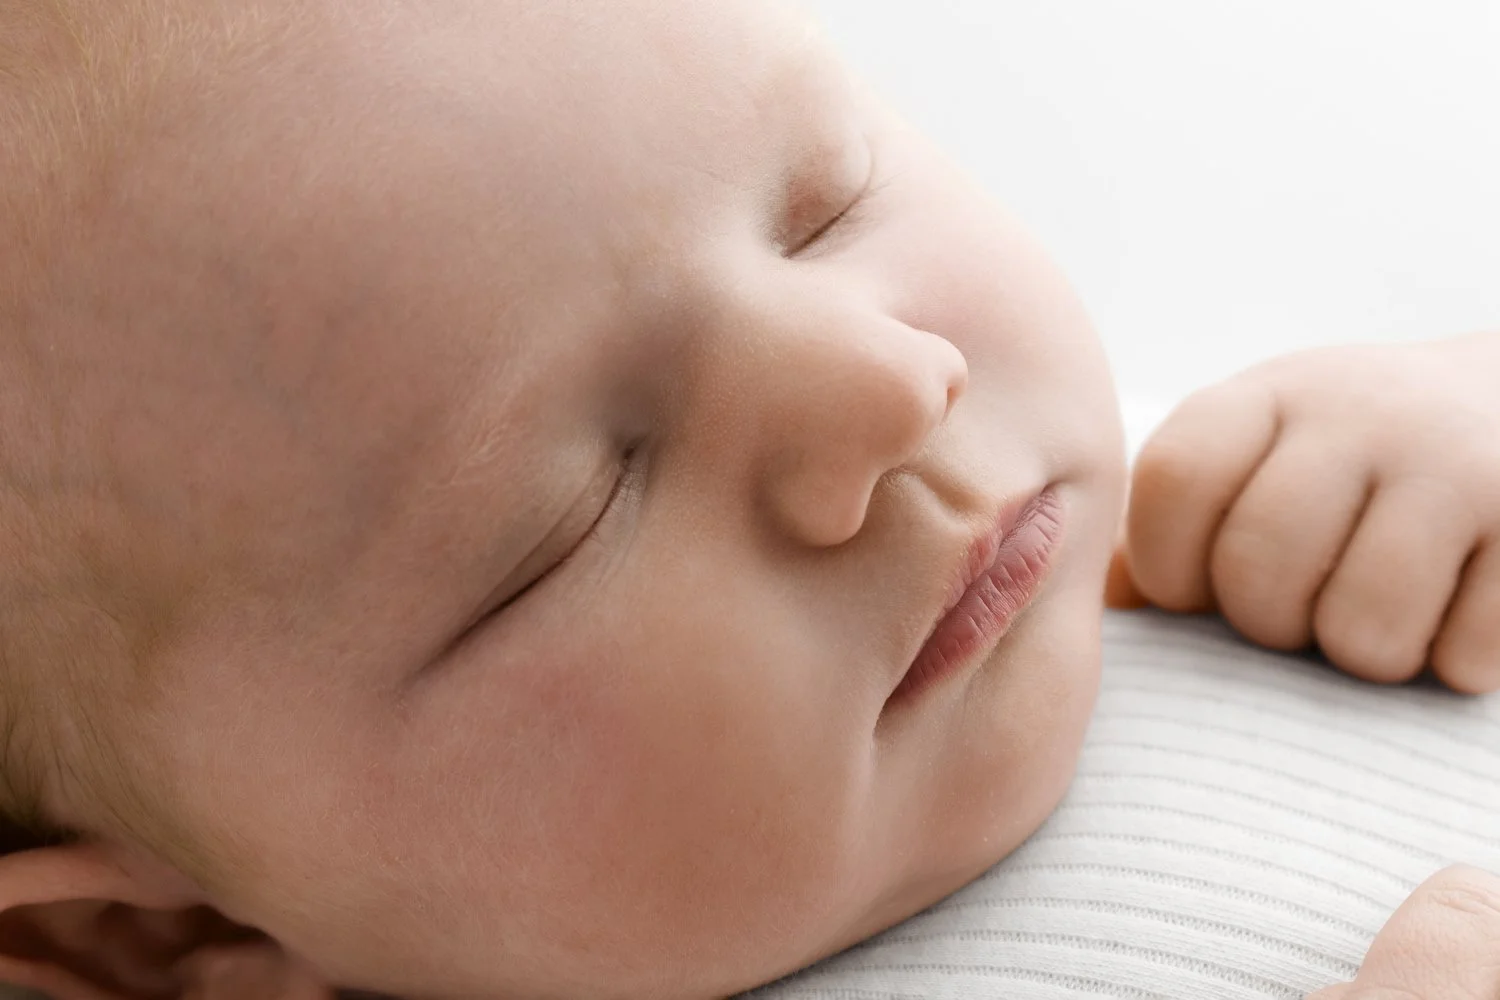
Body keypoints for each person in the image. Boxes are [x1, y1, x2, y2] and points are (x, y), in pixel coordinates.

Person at [0, 0, 1495, 997]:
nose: (895, 385)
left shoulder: (1230, 491)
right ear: (156, 932)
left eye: (828, 202)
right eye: (572, 513)